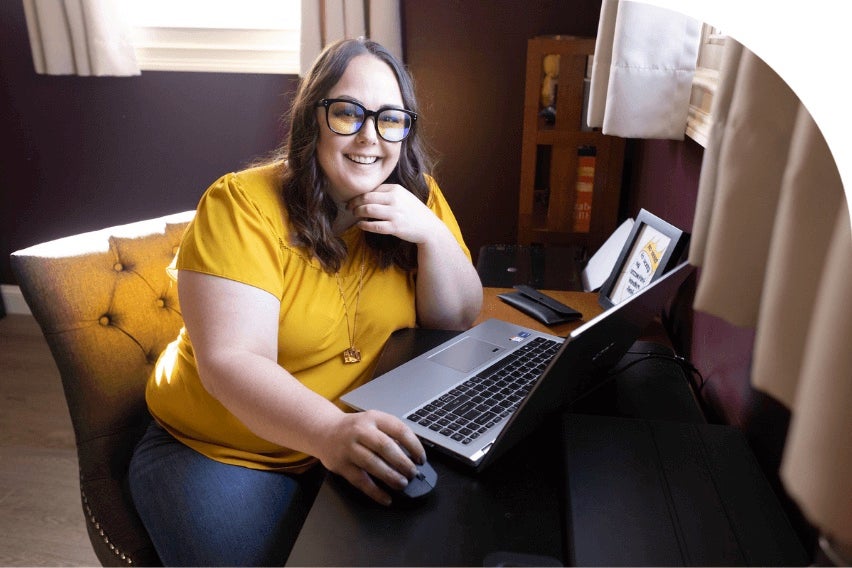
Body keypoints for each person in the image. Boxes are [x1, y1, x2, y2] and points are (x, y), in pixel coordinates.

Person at [128, 37, 483, 566]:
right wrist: (330, 431)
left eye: (390, 119)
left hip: (350, 436)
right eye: (348, 114)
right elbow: (232, 363)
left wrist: (430, 234)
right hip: (225, 449)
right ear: (311, 119)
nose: (370, 137)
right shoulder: (240, 206)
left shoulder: (418, 196)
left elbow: (454, 319)